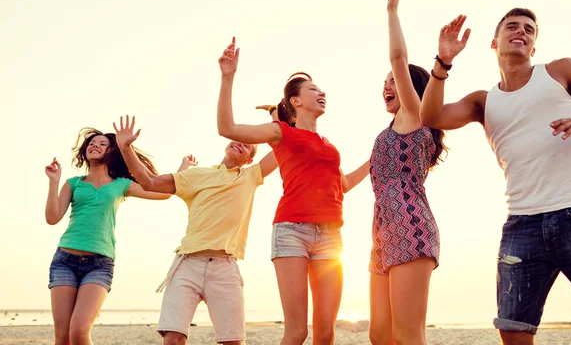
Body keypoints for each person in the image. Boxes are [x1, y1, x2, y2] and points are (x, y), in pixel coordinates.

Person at [420, 9, 571, 344]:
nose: (521, 31)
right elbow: (430, 116)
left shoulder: (562, 71)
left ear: (533, 47)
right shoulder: (482, 102)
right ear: (494, 42)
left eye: (529, 29)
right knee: (512, 327)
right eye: (512, 27)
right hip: (523, 224)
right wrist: (443, 62)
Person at [217, 37, 370, 345]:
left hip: (331, 236)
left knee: (326, 332)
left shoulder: (329, 147)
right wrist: (227, 77)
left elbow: (345, 185)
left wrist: (375, 158)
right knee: (297, 331)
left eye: (322, 89)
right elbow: (227, 128)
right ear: (296, 102)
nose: (321, 93)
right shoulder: (281, 132)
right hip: (292, 231)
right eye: (313, 89)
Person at [113, 115, 278, 345]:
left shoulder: (251, 176)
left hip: (225, 267)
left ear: (249, 159)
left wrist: (278, 118)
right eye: (238, 138)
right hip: (187, 264)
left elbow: (283, 146)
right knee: (173, 338)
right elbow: (150, 182)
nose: (240, 142)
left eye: (247, 144)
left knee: (232, 341)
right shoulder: (196, 175)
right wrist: (125, 148)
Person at [368, 0, 447, 345]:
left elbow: (399, 58)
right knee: (380, 335)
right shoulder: (388, 132)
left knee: (406, 336)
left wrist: (392, 11)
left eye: (393, 83)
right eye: (383, 83)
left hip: (411, 227)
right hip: (382, 233)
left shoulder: (415, 117)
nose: (387, 86)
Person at [45, 128, 171, 345]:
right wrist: (54, 181)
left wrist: (183, 170)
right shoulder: (73, 183)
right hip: (64, 261)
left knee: (79, 331)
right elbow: (52, 218)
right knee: (63, 336)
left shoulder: (121, 184)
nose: (95, 145)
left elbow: (163, 193)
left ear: (111, 151)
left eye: (102, 143)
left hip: (99, 264)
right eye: (92, 143)